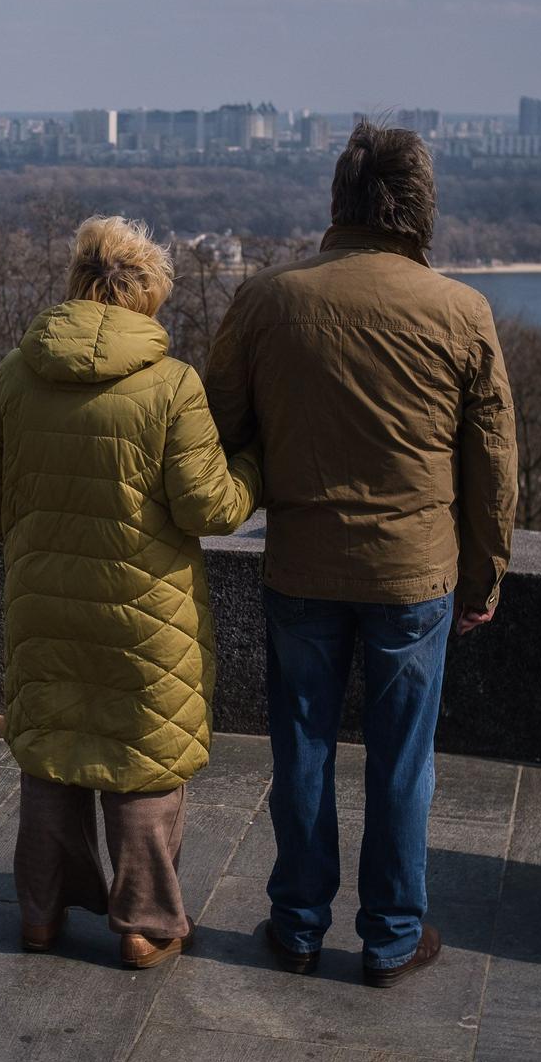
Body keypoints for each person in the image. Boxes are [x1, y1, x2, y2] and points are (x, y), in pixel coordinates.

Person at [205, 122, 516, 987]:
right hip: (415, 573)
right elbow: (493, 461)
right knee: (402, 759)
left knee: (300, 746)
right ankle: (390, 937)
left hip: (301, 563)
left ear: (337, 201)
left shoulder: (267, 300)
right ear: (419, 208)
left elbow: (214, 428)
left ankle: (298, 924)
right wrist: (485, 573)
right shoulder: (461, 311)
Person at [0, 215, 261, 970]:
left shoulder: (16, 372)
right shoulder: (171, 386)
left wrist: (37, 545)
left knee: (54, 752)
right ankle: (144, 922)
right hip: (146, 607)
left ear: (76, 285)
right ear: (148, 296)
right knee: (142, 763)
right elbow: (209, 508)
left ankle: (40, 912)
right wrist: (256, 469)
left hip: (43, 599)